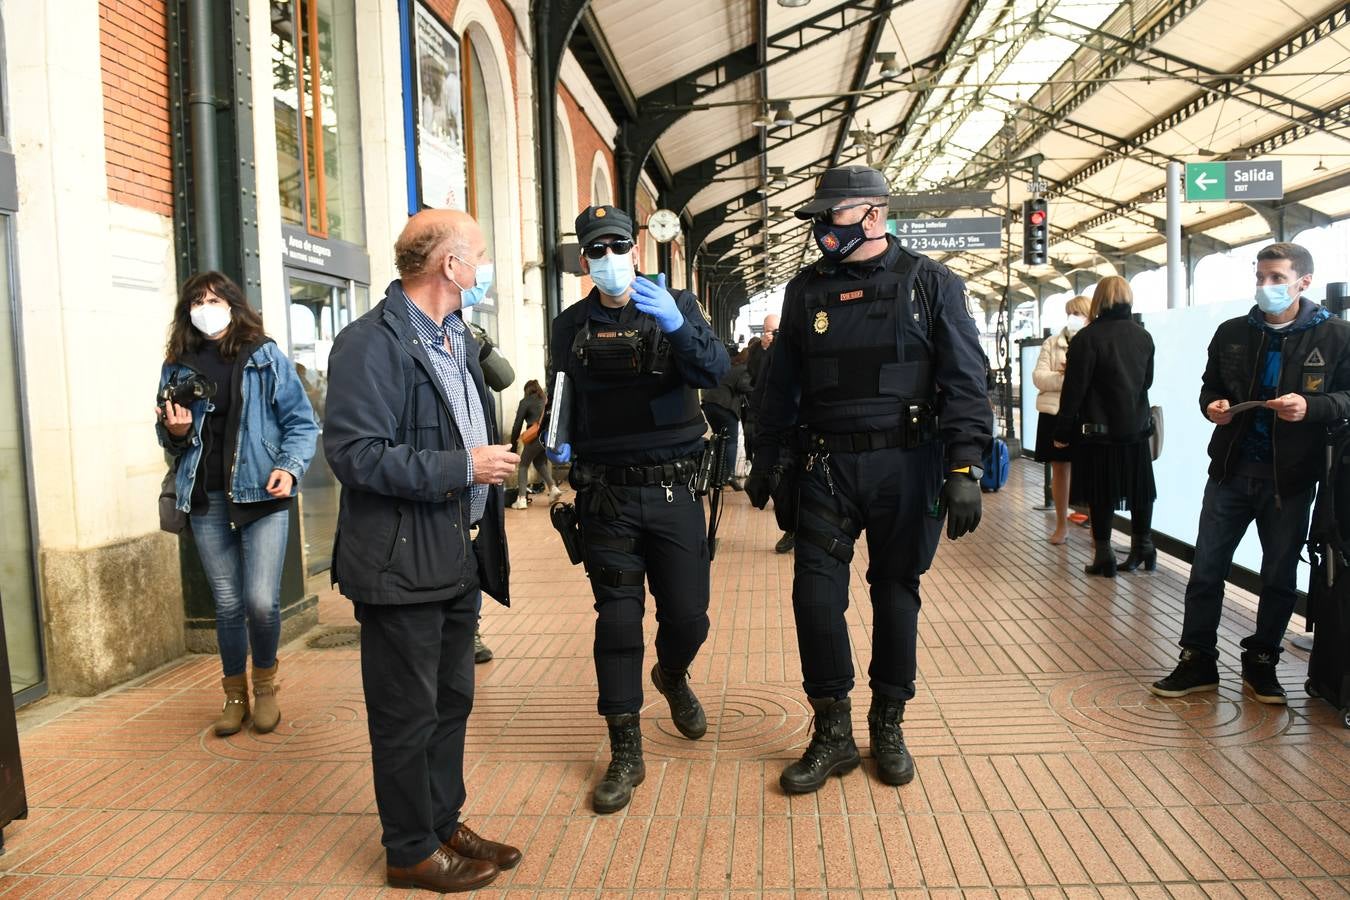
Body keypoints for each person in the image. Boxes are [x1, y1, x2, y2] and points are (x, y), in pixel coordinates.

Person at [746, 165, 990, 793]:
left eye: (835, 216)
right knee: (814, 596)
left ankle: (888, 722)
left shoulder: (931, 284)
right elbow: (780, 387)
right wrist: (768, 462)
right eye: (822, 219)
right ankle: (832, 731)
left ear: (874, 215)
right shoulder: (804, 293)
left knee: (894, 591)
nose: (824, 229)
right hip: (826, 468)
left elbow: (965, 380)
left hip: (907, 466)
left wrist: (966, 466)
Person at [323, 209, 521, 893]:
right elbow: (354, 456)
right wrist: (463, 468)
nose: (484, 266)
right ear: (450, 266)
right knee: (406, 713)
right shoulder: (368, 345)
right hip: (398, 561)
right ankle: (409, 848)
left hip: (456, 554)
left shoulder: (457, 338)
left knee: (451, 701)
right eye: (480, 254)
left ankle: (441, 821)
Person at [545, 205, 729, 814]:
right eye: (595, 250)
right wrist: (556, 439)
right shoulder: (569, 324)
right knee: (618, 623)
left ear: (635, 247)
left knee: (689, 615)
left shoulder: (672, 305)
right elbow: (563, 393)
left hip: (675, 490)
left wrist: (679, 326)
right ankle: (625, 749)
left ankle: (672, 674)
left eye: (616, 245)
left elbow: (715, 370)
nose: (607, 258)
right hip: (608, 497)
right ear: (583, 258)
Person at [1151, 242, 1350, 704]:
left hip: (1291, 480)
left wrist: (1312, 406)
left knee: (1279, 576)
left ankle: (1262, 660)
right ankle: (1196, 659)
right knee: (1205, 570)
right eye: (1261, 277)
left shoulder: (1337, 335)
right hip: (1229, 472)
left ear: (1303, 282)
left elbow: (1347, 398)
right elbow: (1211, 386)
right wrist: (1212, 407)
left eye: (1277, 278)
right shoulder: (1233, 332)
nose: (1266, 286)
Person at [157, 271, 318, 738]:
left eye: (215, 298)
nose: (207, 307)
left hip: (263, 492)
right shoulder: (177, 365)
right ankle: (234, 695)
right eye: (198, 301)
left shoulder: (264, 355)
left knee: (260, 602)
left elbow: (301, 423)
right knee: (227, 605)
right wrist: (177, 432)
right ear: (187, 311)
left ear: (233, 304)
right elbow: (167, 437)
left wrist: (288, 466)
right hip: (204, 494)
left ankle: (265, 685)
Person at [1052, 277, 1156, 578]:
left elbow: (1075, 390)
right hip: (1136, 428)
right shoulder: (1143, 336)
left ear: (1099, 301)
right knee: (1139, 489)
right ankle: (1143, 547)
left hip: (1099, 431)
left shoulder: (1088, 338)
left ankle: (1104, 554)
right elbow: (1147, 381)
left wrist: (1062, 430)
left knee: (1101, 492)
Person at [1033, 295, 1092, 544]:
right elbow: (1039, 377)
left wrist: (1071, 378)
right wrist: (1067, 378)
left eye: (1078, 312)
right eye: (1070, 312)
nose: (1074, 317)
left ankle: (1097, 528)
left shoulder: (1095, 341)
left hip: (1086, 414)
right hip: (1054, 413)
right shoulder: (1052, 343)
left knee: (1091, 469)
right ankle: (1060, 524)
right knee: (1059, 468)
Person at [749, 324, 797, 553]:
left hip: (812, 429)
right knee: (784, 479)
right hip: (785, 430)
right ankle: (793, 528)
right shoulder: (772, 352)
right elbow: (762, 394)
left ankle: (796, 529)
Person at [701, 345, 752, 489]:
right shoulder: (744, 369)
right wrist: (756, 388)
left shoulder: (730, 365)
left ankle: (716, 476)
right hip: (725, 406)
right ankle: (728, 476)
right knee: (730, 442)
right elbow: (743, 386)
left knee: (719, 440)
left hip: (710, 404)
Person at [508, 379, 561, 509]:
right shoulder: (544, 400)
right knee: (538, 462)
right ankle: (553, 488)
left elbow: (517, 425)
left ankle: (521, 499)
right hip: (548, 437)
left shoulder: (525, 402)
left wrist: (513, 446)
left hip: (535, 436)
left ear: (527, 390)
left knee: (523, 465)